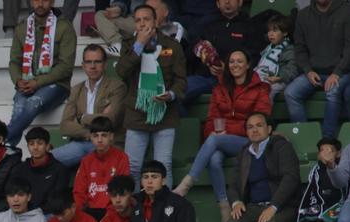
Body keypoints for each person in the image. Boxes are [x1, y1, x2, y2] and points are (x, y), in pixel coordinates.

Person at [173, 49, 271, 222]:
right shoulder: (220, 88)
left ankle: (187, 183)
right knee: (214, 159)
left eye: (240, 61)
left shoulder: (260, 88)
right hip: (224, 140)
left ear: (248, 65)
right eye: (232, 62)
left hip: (250, 141)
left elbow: (259, 123)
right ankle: (224, 206)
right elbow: (211, 119)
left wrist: (226, 131)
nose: (235, 65)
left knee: (214, 140)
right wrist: (216, 131)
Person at [211, 112, 300, 222]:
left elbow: (291, 178)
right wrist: (236, 202)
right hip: (254, 207)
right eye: (250, 127)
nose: (254, 130)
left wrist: (274, 206)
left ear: (269, 129)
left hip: (283, 207)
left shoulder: (281, 147)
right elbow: (234, 184)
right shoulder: (245, 151)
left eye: (259, 125)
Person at [116, 3, 186, 184]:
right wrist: (139, 44)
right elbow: (122, 71)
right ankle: (135, 211)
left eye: (146, 19)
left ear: (156, 21)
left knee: (164, 166)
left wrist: (171, 94)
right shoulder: (129, 46)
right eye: (137, 20)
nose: (142, 24)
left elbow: (181, 81)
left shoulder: (172, 46)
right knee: (132, 167)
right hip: (136, 114)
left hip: (165, 114)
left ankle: (165, 211)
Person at [286, 0, 350, 140]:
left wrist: (337, 73)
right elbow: (299, 49)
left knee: (332, 92)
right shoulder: (303, 15)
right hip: (314, 72)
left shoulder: (348, 12)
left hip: (345, 71)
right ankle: (306, 139)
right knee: (291, 93)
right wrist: (308, 70)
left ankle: (328, 141)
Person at [6, 0, 76, 147]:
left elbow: (65, 67)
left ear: (52, 2)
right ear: (31, 2)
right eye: (36, 0)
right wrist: (18, 80)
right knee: (19, 107)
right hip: (26, 82)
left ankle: (1, 143)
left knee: (31, 103)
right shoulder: (22, 27)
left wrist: (37, 83)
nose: (40, 4)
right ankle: (8, 152)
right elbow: (14, 62)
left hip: (56, 85)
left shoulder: (64, 27)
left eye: (44, 0)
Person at [54, 45, 126, 168]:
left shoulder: (117, 86)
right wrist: (90, 134)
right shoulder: (76, 89)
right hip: (81, 144)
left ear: (105, 64)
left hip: (108, 144)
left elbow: (109, 120)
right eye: (88, 62)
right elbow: (65, 126)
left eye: (97, 62)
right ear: (83, 65)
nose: (93, 66)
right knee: (47, 160)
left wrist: (82, 118)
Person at [182, 0, 265, 108]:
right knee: (176, 93)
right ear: (217, 4)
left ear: (240, 2)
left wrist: (230, 68)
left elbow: (255, 58)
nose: (227, 2)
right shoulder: (207, 25)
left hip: (235, 80)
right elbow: (189, 54)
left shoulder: (251, 26)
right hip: (206, 77)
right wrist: (202, 54)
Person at [72, 116, 130, 222]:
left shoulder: (121, 158)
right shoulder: (86, 161)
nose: (99, 140)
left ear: (111, 136)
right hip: (89, 212)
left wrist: (111, 213)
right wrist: (81, 215)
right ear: (91, 137)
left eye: (104, 135)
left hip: (113, 211)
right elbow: (79, 192)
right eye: (95, 136)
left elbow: (122, 190)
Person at [8, 126, 70, 210]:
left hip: (48, 214)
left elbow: (58, 201)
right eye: (31, 144)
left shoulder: (60, 170)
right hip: (23, 213)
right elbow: (12, 194)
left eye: (40, 143)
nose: (35, 147)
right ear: (28, 146)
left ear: (47, 146)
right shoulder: (19, 169)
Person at [254, 14, 297, 99]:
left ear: (285, 32)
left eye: (275, 30)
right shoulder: (268, 47)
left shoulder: (289, 49)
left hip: (280, 79)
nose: (271, 34)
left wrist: (279, 77)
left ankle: (263, 111)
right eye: (269, 31)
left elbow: (292, 69)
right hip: (265, 76)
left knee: (268, 90)